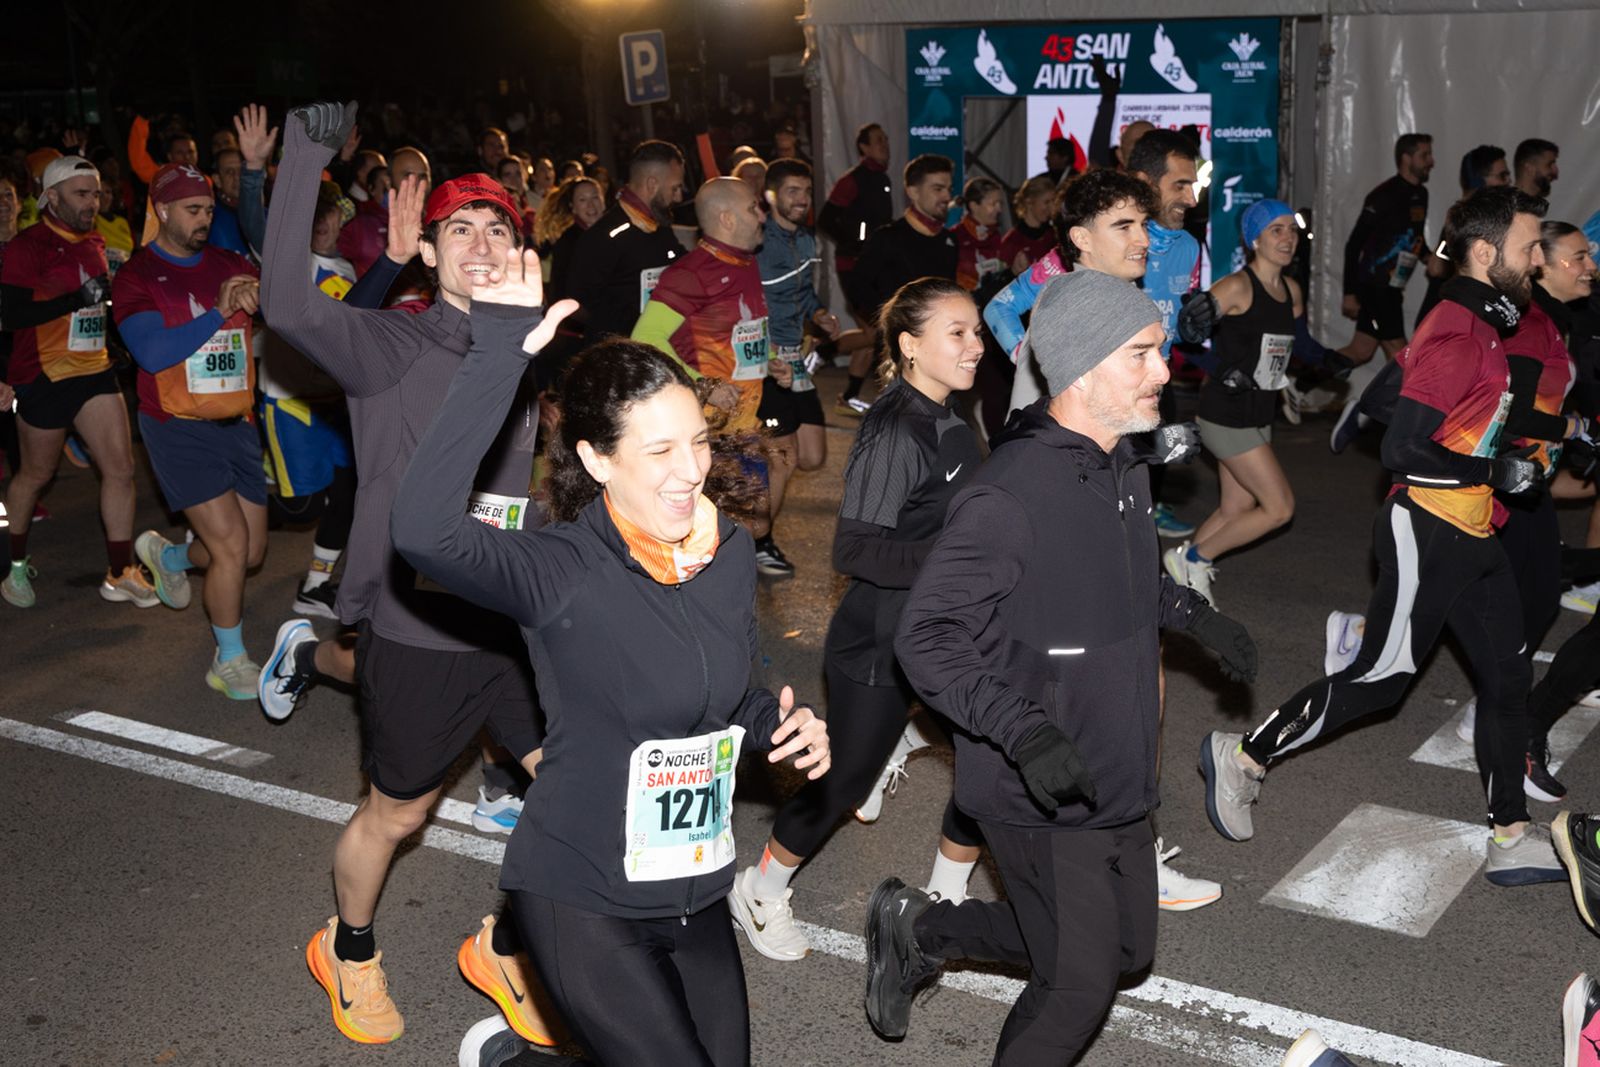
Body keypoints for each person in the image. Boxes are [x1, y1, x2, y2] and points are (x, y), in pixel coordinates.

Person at [389, 245, 829, 1066]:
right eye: (658, 451)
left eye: (696, 442)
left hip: (697, 890)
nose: (690, 472)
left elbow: (730, 697)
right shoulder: (558, 570)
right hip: (580, 891)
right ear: (595, 459)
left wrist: (782, 725)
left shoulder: (725, 550)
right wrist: (494, 359)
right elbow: (422, 531)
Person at [867, 269, 1256, 1060]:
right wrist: (1024, 731)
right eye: (1142, 354)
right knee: (1075, 989)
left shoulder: (1124, 465)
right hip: (1035, 778)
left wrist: (1196, 618)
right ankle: (926, 926)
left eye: (1162, 352)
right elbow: (927, 635)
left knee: (1125, 953)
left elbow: (1127, 583)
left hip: (1114, 762)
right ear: (1082, 366)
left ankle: (922, 923)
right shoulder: (1010, 494)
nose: (1164, 371)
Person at [259, 101, 553, 1047]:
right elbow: (288, 306)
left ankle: (504, 943)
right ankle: (347, 948)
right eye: (457, 229)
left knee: (574, 781)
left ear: (519, 251)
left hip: (512, 618)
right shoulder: (390, 347)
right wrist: (303, 157)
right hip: (419, 627)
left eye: (496, 229)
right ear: (428, 254)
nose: (478, 243)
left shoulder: (529, 347)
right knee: (399, 812)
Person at [1199, 186, 1567, 889]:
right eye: (1527, 249)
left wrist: (1533, 446)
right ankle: (1243, 754)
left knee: (1508, 674)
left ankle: (1512, 833)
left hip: (1471, 526)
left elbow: (1429, 405)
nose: (1537, 261)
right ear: (1487, 253)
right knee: (1383, 678)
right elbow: (1403, 448)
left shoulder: (1485, 321)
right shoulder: (1461, 325)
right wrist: (1496, 465)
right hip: (1427, 524)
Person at [730, 278, 986, 962]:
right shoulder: (899, 426)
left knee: (993, 756)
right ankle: (759, 888)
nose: (975, 345)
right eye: (956, 333)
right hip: (882, 640)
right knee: (841, 779)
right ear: (909, 344)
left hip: (939, 631)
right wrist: (958, 555)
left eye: (977, 332)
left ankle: (943, 903)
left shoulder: (950, 414)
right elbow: (856, 548)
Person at [109, 161, 268, 694]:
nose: (204, 219)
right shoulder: (135, 276)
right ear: (161, 210)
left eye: (208, 210)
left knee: (251, 553)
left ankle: (167, 554)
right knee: (228, 548)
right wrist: (217, 314)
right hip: (175, 425)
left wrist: (262, 304)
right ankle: (228, 661)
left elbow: (276, 314)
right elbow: (152, 354)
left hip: (236, 420)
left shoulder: (230, 261)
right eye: (192, 210)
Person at [1, 155, 151, 610]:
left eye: (96, 193)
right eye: (81, 195)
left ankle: (120, 571)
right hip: (43, 375)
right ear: (51, 197)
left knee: (121, 469)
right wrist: (74, 300)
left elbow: (93, 304)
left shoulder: (96, 240)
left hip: (94, 370)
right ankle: (17, 566)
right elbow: (12, 314)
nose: (93, 202)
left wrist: (108, 318)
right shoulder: (26, 247)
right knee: (36, 474)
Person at [1163, 200, 1307, 606]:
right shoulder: (1236, 287)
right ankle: (1194, 559)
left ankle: (1179, 574)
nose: (1287, 238)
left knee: (1236, 506)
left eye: (1291, 230)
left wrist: (1338, 361)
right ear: (1255, 240)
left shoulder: (1291, 291)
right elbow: (1184, 331)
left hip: (1259, 413)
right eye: (1276, 230)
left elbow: (1296, 346)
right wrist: (1220, 367)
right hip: (1225, 415)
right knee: (1279, 508)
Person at [754, 158, 838, 577]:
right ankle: (759, 542)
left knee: (812, 457)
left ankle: (747, 501)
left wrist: (819, 314)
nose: (802, 200)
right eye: (792, 191)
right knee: (783, 459)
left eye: (805, 191)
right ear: (772, 195)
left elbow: (804, 293)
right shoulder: (756, 242)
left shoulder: (806, 241)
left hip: (797, 360)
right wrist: (760, 354)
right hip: (766, 363)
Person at [1329, 133, 1436, 446]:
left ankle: (1302, 380)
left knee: (1360, 351)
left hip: (1393, 287)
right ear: (1407, 158)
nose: (1431, 161)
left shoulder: (1422, 195)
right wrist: (1350, 292)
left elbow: (1412, 237)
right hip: (1374, 287)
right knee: (1405, 358)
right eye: (1425, 155)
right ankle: (1369, 413)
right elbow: (1354, 245)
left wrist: (1429, 256)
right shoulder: (1383, 196)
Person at [1127, 128, 1202, 541]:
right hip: (1108, 387)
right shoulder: (1107, 238)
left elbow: (1176, 319)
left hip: (1160, 380)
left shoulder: (1188, 245)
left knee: (1148, 481)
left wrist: (1197, 322)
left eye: (1193, 185)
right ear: (1144, 184)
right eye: (1180, 185)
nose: (1191, 199)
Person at [842, 155, 959, 414]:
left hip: (942, 356)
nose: (946, 196)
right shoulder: (888, 238)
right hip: (902, 359)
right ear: (912, 191)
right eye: (937, 188)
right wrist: (891, 324)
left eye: (948, 189)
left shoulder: (950, 242)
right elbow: (857, 286)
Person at [567, 139, 685, 344]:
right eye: (674, 188)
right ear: (652, 184)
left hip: (657, 350)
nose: (679, 197)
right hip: (618, 360)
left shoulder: (661, 227)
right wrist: (619, 337)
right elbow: (576, 305)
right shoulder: (603, 237)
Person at [819, 123, 894, 414]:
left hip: (875, 266)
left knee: (872, 330)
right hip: (853, 267)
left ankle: (849, 395)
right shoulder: (852, 180)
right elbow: (826, 219)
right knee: (876, 331)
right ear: (863, 147)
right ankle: (819, 353)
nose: (884, 145)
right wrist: (853, 245)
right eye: (878, 141)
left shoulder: (882, 178)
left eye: (886, 140)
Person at [1414, 145, 1511, 328]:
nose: (1508, 182)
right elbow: (1436, 267)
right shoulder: (1464, 217)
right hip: (1441, 323)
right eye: (1502, 176)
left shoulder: (1476, 216)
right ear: (1480, 181)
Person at [951, 176, 1007, 297]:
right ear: (974, 206)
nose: (999, 209)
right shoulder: (955, 237)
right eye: (993, 204)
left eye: (1000, 203)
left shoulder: (996, 235)